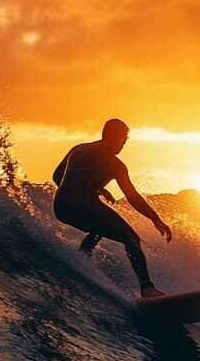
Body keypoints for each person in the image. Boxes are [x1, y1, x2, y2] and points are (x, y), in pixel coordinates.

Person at [53, 119, 173, 298]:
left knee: (99, 229)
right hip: (85, 206)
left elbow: (56, 176)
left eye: (125, 141)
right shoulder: (115, 165)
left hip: (61, 207)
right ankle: (147, 288)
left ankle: (81, 262)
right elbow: (132, 196)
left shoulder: (79, 149)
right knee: (131, 239)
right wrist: (156, 219)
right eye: (122, 140)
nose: (123, 145)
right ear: (110, 136)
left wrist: (96, 188)